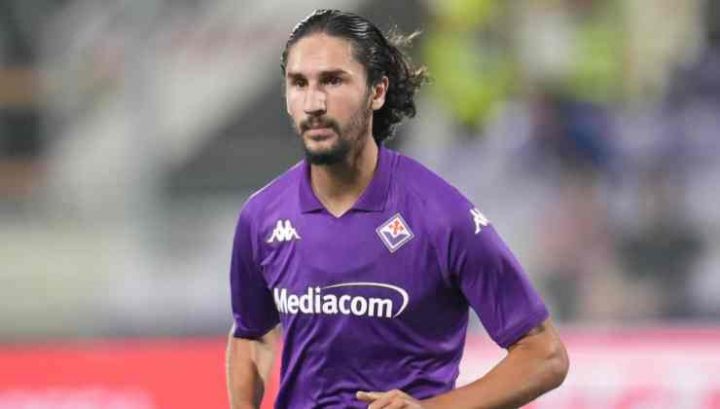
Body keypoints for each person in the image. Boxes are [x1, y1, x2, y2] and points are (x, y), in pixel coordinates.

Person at [226, 9, 568, 409]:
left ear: (377, 92)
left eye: (333, 81)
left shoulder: (442, 216)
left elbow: (544, 354)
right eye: (299, 83)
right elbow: (252, 334)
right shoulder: (262, 216)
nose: (314, 102)